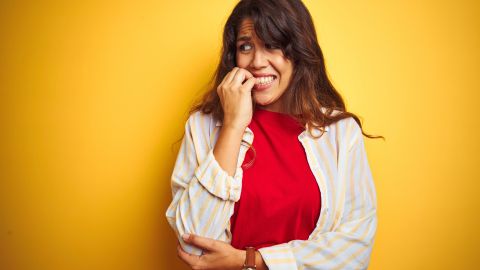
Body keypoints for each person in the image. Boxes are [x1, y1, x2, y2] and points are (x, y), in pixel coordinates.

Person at [165, 0, 384, 269]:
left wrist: (252, 261)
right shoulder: (203, 127)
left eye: (272, 44)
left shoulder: (340, 133)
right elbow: (194, 242)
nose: (257, 62)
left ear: (298, 50)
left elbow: (354, 247)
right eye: (246, 46)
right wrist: (233, 125)